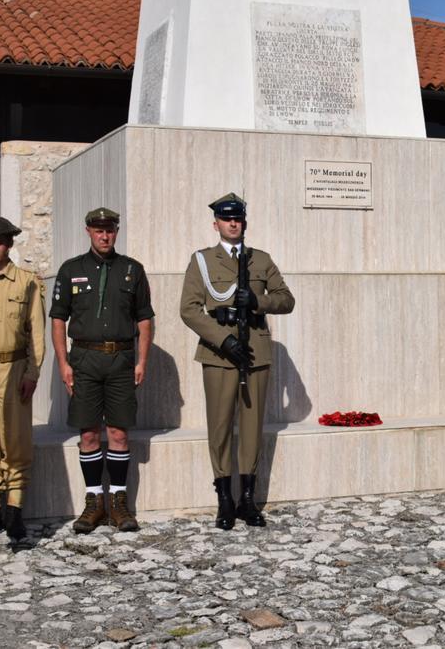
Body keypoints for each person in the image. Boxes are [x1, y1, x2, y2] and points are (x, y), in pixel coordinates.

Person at [180, 193, 295, 529]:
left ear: (244, 222)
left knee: (251, 427)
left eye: (238, 219)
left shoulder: (261, 259)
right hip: (219, 354)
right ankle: (224, 499)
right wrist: (224, 339)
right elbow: (189, 309)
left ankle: (247, 498)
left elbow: (286, 300)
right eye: (226, 219)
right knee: (219, 428)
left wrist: (258, 300)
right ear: (215, 224)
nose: (233, 224)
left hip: (254, 352)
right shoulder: (203, 261)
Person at [50, 207, 154, 533]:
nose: (104, 236)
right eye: (99, 231)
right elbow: (58, 319)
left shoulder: (132, 270)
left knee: (119, 433)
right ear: (89, 232)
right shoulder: (71, 270)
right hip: (84, 360)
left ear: (116, 232)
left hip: (121, 360)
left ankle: (119, 503)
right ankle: (94, 502)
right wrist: (63, 363)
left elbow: (144, 319)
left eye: (109, 230)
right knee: (89, 434)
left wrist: (142, 361)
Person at [0, 217, 46, 540]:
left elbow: (36, 333)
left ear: (10, 244)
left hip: (15, 369)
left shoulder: (27, 282)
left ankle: (14, 507)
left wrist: (32, 372)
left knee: (16, 440)